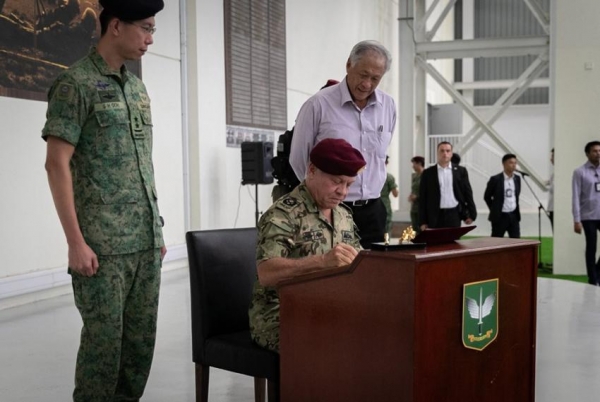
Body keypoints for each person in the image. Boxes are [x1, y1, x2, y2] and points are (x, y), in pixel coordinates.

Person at [42, 1, 166, 400]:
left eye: (152, 30)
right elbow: (56, 164)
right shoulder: (74, 84)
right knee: (103, 352)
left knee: (138, 351)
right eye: (145, 28)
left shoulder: (137, 89)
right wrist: (75, 242)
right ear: (116, 26)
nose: (150, 39)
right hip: (102, 249)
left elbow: (143, 163)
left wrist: (156, 229)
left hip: (144, 243)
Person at [249, 138, 365, 352]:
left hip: (328, 307)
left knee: (380, 329)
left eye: (348, 184)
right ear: (312, 170)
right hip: (281, 314)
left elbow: (359, 264)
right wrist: (322, 262)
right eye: (337, 181)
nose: (343, 192)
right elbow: (266, 273)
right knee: (333, 342)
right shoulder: (283, 214)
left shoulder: (343, 215)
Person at [289, 40, 397, 248]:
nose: (367, 84)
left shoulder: (388, 106)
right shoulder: (318, 104)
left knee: (374, 267)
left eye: (375, 79)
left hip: (373, 211)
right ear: (349, 65)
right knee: (333, 267)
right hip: (330, 210)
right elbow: (299, 160)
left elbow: (379, 157)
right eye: (363, 75)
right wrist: (321, 203)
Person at [419, 142, 477, 230]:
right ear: (437, 153)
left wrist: (471, 214)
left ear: (451, 153)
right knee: (436, 239)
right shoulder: (428, 173)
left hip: (454, 214)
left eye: (448, 151)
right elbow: (423, 198)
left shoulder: (461, 171)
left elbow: (468, 193)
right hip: (435, 215)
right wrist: (423, 221)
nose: (445, 153)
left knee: (453, 238)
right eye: (442, 151)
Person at [572, 141, 600, 286]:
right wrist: (577, 220)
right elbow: (575, 196)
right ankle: (593, 279)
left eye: (599, 151)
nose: (598, 153)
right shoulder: (580, 172)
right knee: (591, 247)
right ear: (587, 154)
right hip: (588, 216)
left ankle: (597, 273)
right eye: (595, 151)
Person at [484, 154, 522, 238]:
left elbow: (517, 194)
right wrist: (495, 208)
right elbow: (487, 196)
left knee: (516, 241)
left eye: (515, 163)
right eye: (511, 163)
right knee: (497, 241)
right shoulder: (495, 179)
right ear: (504, 164)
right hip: (500, 216)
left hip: (514, 215)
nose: (514, 165)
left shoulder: (517, 178)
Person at [381, 155, 399, 235]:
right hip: (385, 204)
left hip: (373, 203)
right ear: (387, 163)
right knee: (387, 227)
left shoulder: (372, 176)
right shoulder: (389, 177)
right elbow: (395, 194)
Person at [408, 156, 425, 233]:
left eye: (414, 164)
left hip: (422, 206)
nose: (413, 166)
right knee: (415, 228)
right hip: (414, 206)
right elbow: (414, 189)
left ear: (419, 164)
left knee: (422, 228)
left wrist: (417, 197)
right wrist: (411, 196)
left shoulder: (426, 175)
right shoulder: (414, 176)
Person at [548, 148, 554, 230]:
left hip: (556, 208)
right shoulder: (553, 174)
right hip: (552, 208)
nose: (551, 159)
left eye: (552, 156)